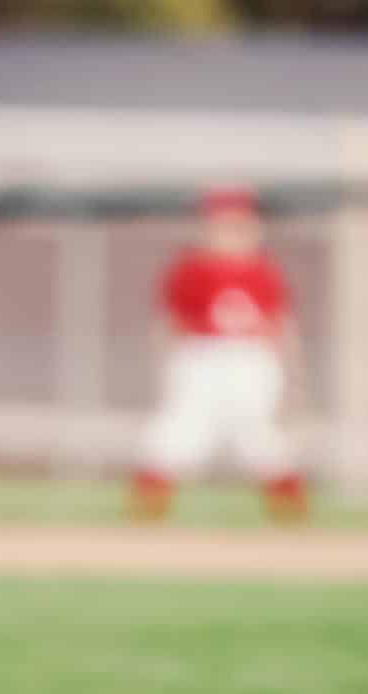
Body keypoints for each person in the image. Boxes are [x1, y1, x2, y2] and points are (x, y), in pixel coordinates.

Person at [129, 185, 308, 524]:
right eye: (221, 223)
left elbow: (279, 325)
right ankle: (146, 515)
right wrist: (166, 367)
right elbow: (169, 323)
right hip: (202, 354)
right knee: (177, 432)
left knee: (259, 435)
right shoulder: (191, 268)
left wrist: (292, 373)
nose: (230, 231)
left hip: (251, 357)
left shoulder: (264, 270)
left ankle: (290, 517)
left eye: (239, 223)